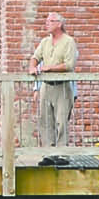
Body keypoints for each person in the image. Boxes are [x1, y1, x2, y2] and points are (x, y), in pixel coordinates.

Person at [28, 12, 78, 147]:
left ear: (59, 24)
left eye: (50, 21)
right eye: (47, 21)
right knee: (45, 120)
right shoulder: (45, 42)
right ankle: (48, 152)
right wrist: (32, 67)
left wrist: (50, 68)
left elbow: (69, 64)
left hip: (62, 86)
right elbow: (35, 57)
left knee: (61, 121)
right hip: (46, 86)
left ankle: (62, 153)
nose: (47, 23)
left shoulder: (68, 42)